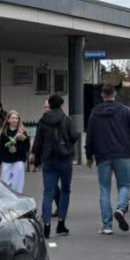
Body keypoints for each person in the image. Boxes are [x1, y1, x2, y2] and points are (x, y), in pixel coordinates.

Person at [85, 84, 130, 235]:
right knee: (124, 185)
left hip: (102, 155)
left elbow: (90, 135)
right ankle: (121, 208)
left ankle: (107, 226)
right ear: (115, 94)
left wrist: (89, 156)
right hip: (122, 153)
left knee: (104, 189)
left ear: (102, 95)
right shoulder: (125, 111)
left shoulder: (95, 112)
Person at [30, 94, 79, 238]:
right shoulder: (67, 120)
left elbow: (38, 142)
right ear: (62, 105)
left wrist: (36, 161)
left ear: (49, 106)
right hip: (65, 159)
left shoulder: (43, 121)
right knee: (65, 190)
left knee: (48, 192)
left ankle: (46, 223)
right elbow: (74, 136)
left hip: (48, 160)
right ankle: (61, 224)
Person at [0, 110, 30, 193]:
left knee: (17, 186)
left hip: (18, 161)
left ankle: (17, 198)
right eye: (12, 118)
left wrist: (22, 140)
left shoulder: (22, 132)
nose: (14, 120)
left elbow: (27, 148)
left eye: (16, 118)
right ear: (8, 120)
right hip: (6, 161)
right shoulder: (4, 133)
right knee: (5, 185)